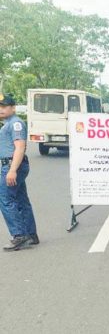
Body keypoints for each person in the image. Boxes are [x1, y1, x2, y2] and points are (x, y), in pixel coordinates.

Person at [0, 94, 38, 251]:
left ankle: (19, 235)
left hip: (12, 165)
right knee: (21, 199)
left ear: (13, 108)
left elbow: (20, 147)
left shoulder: (15, 123)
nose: (1, 109)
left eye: (4, 106)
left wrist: (12, 170)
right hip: (13, 165)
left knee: (6, 199)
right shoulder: (8, 123)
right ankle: (30, 234)